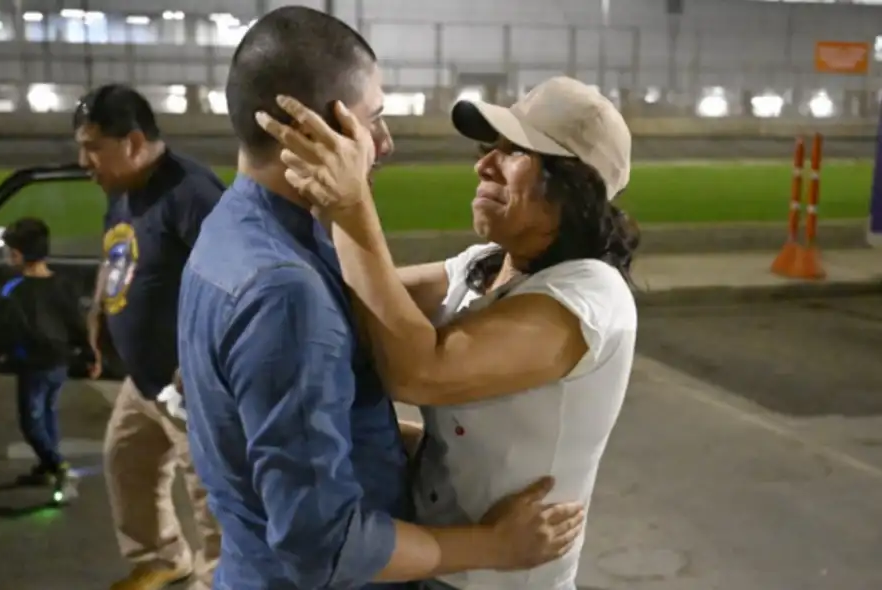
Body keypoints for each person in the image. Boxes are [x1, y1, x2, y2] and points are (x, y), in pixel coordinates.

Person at [177, 7, 585, 590]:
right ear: (315, 130)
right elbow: (325, 546)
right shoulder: (285, 291)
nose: (386, 143)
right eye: (375, 120)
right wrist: (492, 546)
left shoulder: (234, 226)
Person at [257, 75, 638, 590]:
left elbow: (419, 372)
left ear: (574, 187)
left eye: (514, 152)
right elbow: (363, 304)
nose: (483, 164)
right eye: (491, 148)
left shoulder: (589, 298)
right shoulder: (486, 264)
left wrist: (351, 209)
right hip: (437, 564)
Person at [75, 84, 225, 590]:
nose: (83, 161)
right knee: (126, 462)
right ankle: (161, 556)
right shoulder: (122, 193)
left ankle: (220, 579)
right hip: (143, 381)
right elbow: (118, 253)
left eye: (93, 146)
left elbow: (234, 281)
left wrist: (199, 361)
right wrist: (100, 310)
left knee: (213, 493)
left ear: (134, 141)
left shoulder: (191, 193)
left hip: (190, 384)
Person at [0, 217, 86, 488]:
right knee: (48, 412)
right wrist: (88, 353)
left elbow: (10, 328)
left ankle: (55, 463)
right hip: (59, 362)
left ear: (17, 254)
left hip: (33, 365)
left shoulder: (14, 290)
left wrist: (1, 352)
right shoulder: (64, 284)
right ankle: (47, 464)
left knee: (31, 420)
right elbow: (76, 322)